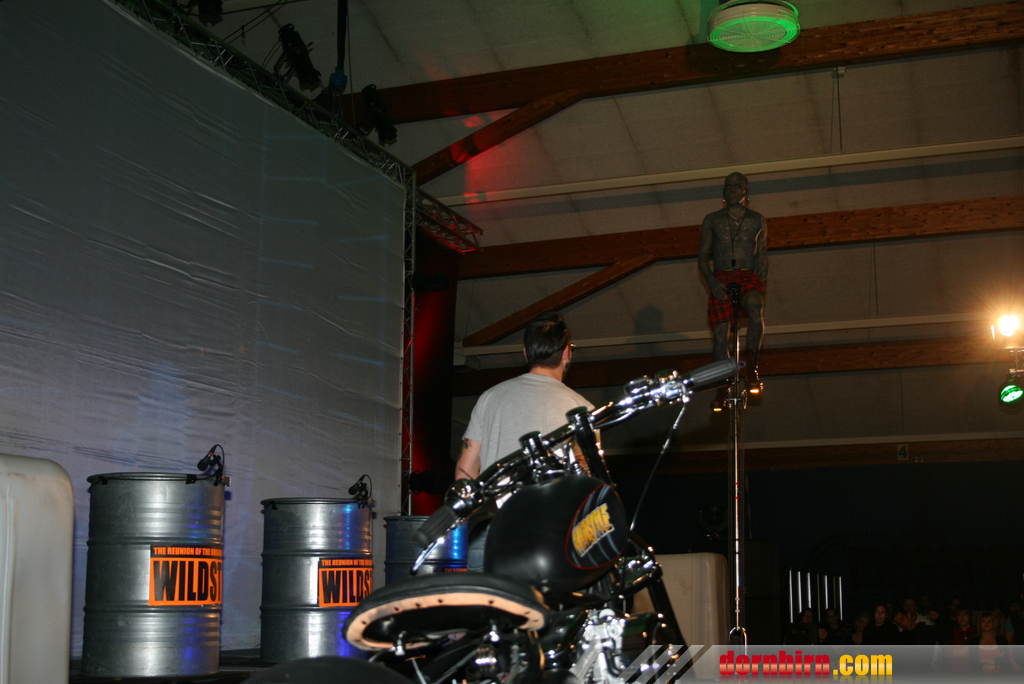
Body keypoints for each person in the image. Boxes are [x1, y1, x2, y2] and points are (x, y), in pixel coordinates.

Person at [456, 311, 593, 569]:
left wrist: (468, 526)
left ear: (526, 353)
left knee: (488, 597)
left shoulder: (490, 398)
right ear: (566, 353)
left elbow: (465, 472)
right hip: (553, 537)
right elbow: (589, 482)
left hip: (492, 532)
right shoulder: (583, 410)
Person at [697, 172, 768, 410]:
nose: (732, 190)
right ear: (723, 191)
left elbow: (762, 255)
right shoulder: (712, 220)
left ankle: (752, 368)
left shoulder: (757, 220)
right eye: (728, 186)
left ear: (745, 190)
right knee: (720, 337)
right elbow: (702, 255)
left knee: (756, 311)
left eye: (737, 186)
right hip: (721, 277)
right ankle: (723, 385)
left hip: (748, 276)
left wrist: (760, 283)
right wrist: (711, 281)